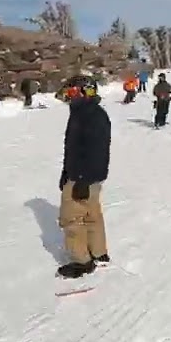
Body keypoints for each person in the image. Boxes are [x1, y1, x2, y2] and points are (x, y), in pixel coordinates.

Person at [56, 75, 112, 279]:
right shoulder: (85, 112)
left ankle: (81, 261)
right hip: (86, 175)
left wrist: (82, 179)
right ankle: (98, 252)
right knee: (91, 214)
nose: (68, 97)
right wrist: (66, 172)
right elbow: (74, 148)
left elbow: (97, 151)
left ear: (83, 92)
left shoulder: (89, 115)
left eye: (71, 92)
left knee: (72, 218)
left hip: (84, 176)